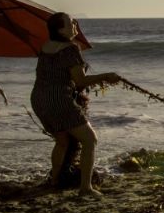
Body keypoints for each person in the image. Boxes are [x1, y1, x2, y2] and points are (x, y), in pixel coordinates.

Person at [31, 12, 120, 197]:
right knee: (90, 139)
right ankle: (85, 188)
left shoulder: (46, 47)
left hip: (39, 99)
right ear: (60, 29)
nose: (75, 26)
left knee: (62, 141)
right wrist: (106, 76)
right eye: (71, 23)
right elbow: (80, 81)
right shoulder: (70, 48)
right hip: (59, 99)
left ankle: (54, 181)